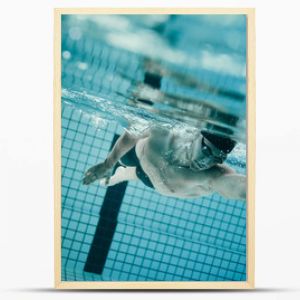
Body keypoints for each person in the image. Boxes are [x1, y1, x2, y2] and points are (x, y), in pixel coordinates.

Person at [82, 126, 246, 200]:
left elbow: (236, 187)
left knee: (140, 174)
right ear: (196, 137)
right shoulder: (164, 134)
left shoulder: (212, 174)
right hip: (141, 157)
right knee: (124, 159)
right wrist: (107, 164)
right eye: (206, 151)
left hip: (152, 181)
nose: (207, 161)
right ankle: (123, 172)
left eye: (217, 158)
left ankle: (125, 174)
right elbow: (133, 132)